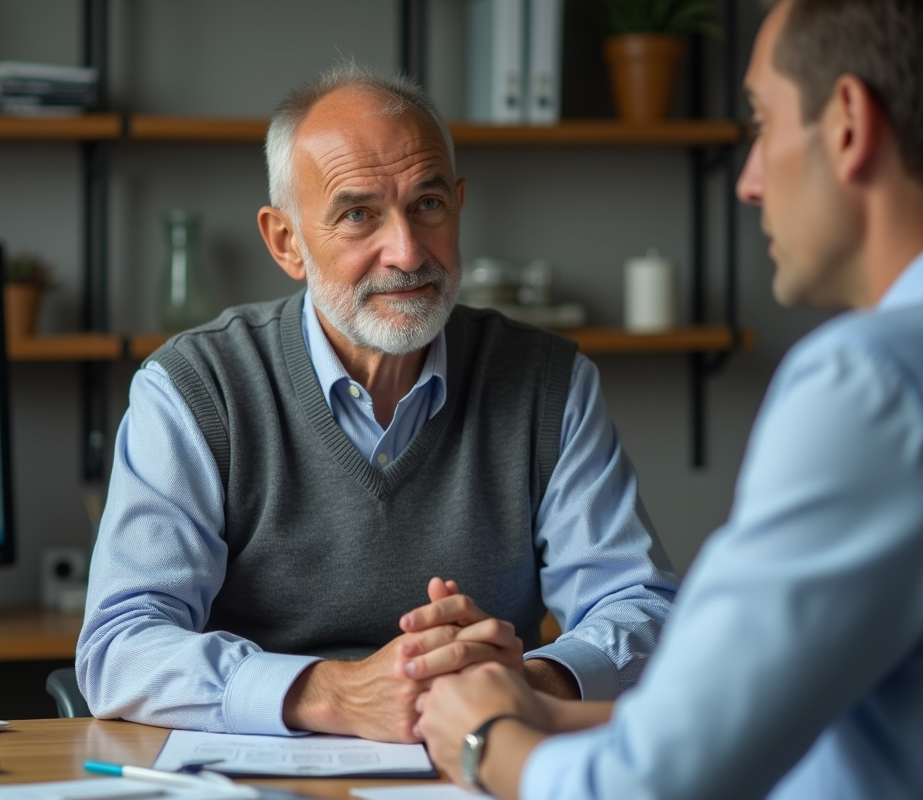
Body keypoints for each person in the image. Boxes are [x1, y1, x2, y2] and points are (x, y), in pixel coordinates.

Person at [76, 63, 680, 743]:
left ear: (457, 203)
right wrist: (335, 693)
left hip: (477, 764)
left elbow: (641, 605)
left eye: (427, 204)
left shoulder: (549, 381)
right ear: (286, 242)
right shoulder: (195, 388)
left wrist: (528, 684)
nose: (406, 250)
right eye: (358, 213)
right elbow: (120, 648)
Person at [416, 0, 923, 796]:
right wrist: (535, 714)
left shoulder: (869, 383)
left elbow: (654, 784)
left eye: (760, 123)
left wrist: (484, 740)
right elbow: (795, 716)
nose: (750, 184)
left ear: (850, 125)